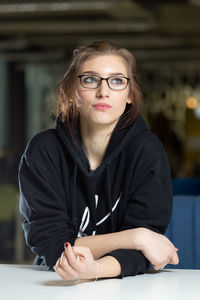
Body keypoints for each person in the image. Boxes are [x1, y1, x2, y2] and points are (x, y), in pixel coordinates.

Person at [19, 40, 179, 282]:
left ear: (129, 96)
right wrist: (137, 237)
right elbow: (51, 245)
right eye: (91, 79)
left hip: (132, 287)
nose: (103, 91)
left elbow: (145, 253)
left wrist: (94, 270)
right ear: (72, 92)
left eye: (116, 81)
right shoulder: (43, 151)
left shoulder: (147, 151)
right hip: (55, 285)